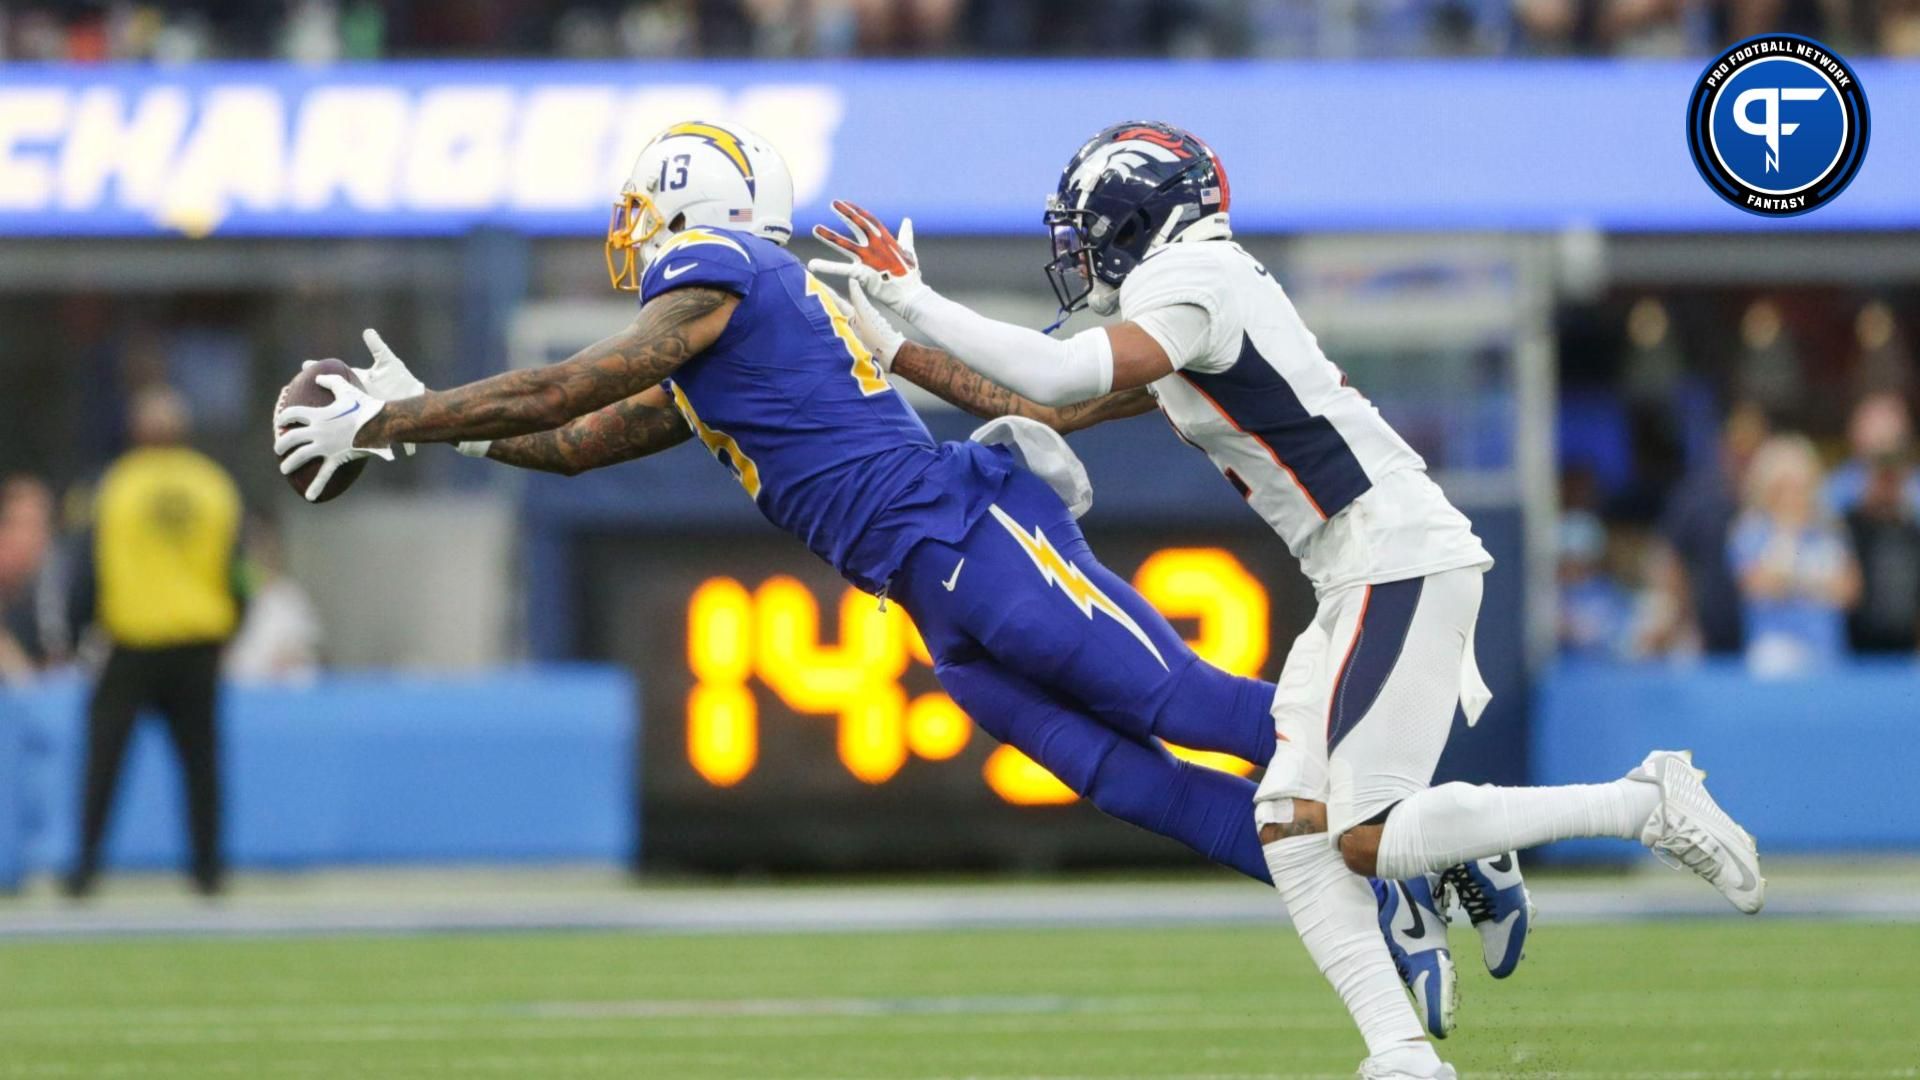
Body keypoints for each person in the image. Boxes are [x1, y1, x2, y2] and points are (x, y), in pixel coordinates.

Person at [806, 121, 1765, 1080]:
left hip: (1398, 554)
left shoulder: (1198, 283)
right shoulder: (1188, 295)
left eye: (1090, 226)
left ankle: (1642, 801)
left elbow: (1057, 374)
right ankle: (1400, 1055)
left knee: (1364, 832)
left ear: (1140, 216)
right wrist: (892, 349)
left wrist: (918, 301)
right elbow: (1051, 412)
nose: (1079, 251)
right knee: (1290, 825)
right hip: (1355, 569)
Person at [273, 121, 1286, 896]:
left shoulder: (724, 269)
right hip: (932, 589)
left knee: (1182, 706)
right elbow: (574, 447)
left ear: (687, 202)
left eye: (640, 209)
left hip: (966, 535)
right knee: (1124, 778)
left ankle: (1406, 809)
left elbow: (564, 389)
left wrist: (389, 416)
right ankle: (1360, 880)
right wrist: (421, 425)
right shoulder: (749, 336)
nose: (631, 234)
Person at [67, 386, 242, 898]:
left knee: (104, 762)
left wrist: (80, 630)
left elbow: (87, 568)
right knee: (201, 765)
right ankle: (208, 872)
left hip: (133, 641)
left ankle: (85, 870)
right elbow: (240, 572)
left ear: (138, 432)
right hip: (197, 643)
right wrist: (233, 625)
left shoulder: (114, 485)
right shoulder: (213, 485)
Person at [1729, 434, 1861, 676]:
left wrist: (1792, 581)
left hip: (1827, 652)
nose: (1793, 496)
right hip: (1773, 655)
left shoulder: (1829, 530)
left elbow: (1848, 591)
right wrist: (1788, 535)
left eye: (1801, 487)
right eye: (1784, 487)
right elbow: (1760, 586)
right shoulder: (1752, 531)